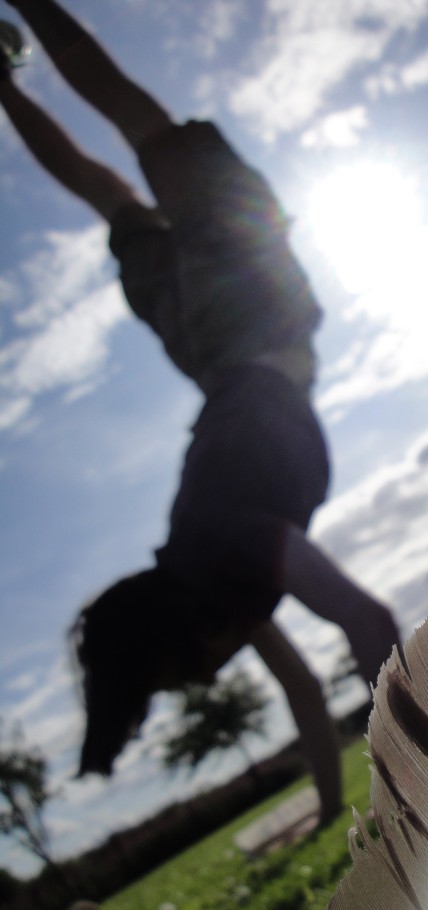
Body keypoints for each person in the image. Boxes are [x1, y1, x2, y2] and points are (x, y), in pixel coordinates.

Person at [0, 1, 400, 826]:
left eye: (183, 672)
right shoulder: (213, 580)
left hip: (246, 318)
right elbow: (299, 688)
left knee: (142, 133)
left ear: (178, 635)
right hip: (212, 352)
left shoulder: (221, 551)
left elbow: (370, 620)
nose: (208, 677)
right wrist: (331, 813)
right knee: (110, 190)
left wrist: (425, 785)